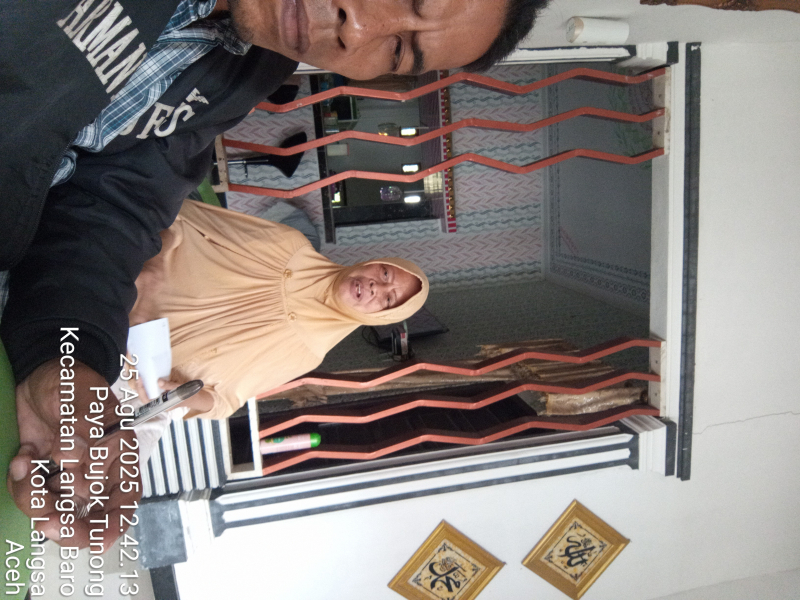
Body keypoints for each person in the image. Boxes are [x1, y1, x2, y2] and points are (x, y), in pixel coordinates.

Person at [2, 0, 550, 548]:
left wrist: (63, 359)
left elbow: (118, 206)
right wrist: (144, 276)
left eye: (399, 49)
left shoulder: (247, 68)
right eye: (386, 276)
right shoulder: (288, 245)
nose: (359, 27)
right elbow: (176, 226)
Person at [130, 200, 428, 420]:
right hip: (119, 270)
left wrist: (181, 396)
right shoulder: (286, 245)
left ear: (379, 317)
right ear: (375, 262)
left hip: (122, 360)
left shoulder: (306, 351)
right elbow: (182, 217)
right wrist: (151, 274)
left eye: (388, 300)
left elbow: (222, 401)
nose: (377, 287)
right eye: (386, 274)